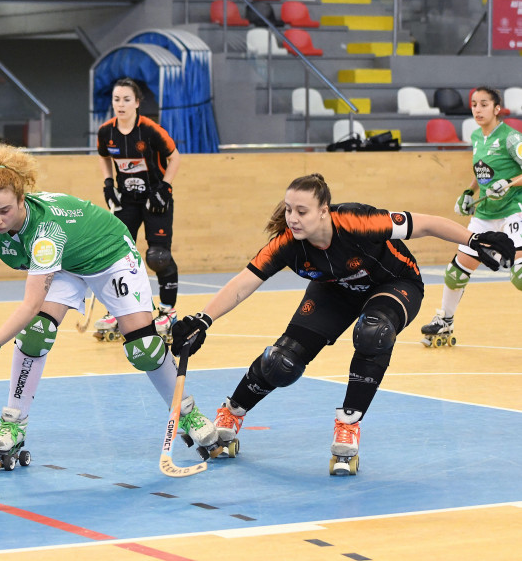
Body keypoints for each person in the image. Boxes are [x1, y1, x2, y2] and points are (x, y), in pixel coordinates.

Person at [170, 174, 514, 475]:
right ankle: (232, 412)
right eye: (288, 209)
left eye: (301, 211)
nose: (292, 218)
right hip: (334, 291)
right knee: (282, 360)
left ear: (324, 211)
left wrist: (472, 241)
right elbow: (244, 282)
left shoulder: (356, 221)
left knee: (373, 333)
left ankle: (347, 426)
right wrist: (203, 319)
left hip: (393, 284)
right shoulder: (288, 244)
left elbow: (424, 223)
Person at [0, 144, 219, 470]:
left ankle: (189, 414)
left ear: (22, 199)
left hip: (109, 256)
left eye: (5, 211)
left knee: (144, 349)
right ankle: (13, 423)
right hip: (67, 265)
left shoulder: (45, 231)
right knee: (36, 334)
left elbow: (30, 302)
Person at [420, 86, 522, 347]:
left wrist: (509, 183)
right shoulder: (477, 137)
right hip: (485, 214)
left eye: (484, 104)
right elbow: (482, 173)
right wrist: (468, 192)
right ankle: (445, 321)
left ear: (497, 109)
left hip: (513, 211)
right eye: (474, 104)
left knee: (519, 275)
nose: (477, 109)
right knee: (456, 272)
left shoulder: (511, 138)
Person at [95, 77, 181, 340]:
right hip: (127, 199)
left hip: (155, 197)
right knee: (117, 255)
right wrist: (109, 184)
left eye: (126, 100)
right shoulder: (106, 132)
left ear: (137, 103)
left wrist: (165, 187)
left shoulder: (150, 130)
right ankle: (119, 309)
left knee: (157, 256)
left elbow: (174, 156)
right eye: (116, 99)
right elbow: (103, 156)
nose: (120, 105)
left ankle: (168, 311)